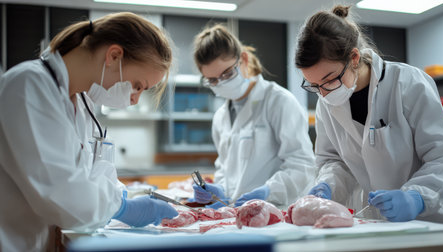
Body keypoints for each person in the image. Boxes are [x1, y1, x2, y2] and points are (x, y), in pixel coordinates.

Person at [0, 12, 178, 252]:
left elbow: (93, 174)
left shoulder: (83, 103)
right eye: (138, 86)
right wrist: (122, 208)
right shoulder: (29, 86)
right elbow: (61, 193)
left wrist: (122, 198)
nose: (135, 99)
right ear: (114, 56)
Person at [297, 5, 443, 223]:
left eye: (329, 79)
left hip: (429, 221)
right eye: (314, 85)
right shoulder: (327, 102)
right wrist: (328, 184)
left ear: (354, 58)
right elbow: (333, 161)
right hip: (375, 223)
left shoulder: (408, 83)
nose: (322, 92)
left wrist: (417, 197)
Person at [191, 24, 316, 209]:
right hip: (236, 216)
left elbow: (302, 165)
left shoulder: (279, 101)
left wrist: (269, 190)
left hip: (275, 212)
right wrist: (218, 190)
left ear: (243, 59)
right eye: (212, 80)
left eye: (227, 73)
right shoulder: (221, 117)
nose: (221, 83)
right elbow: (226, 171)